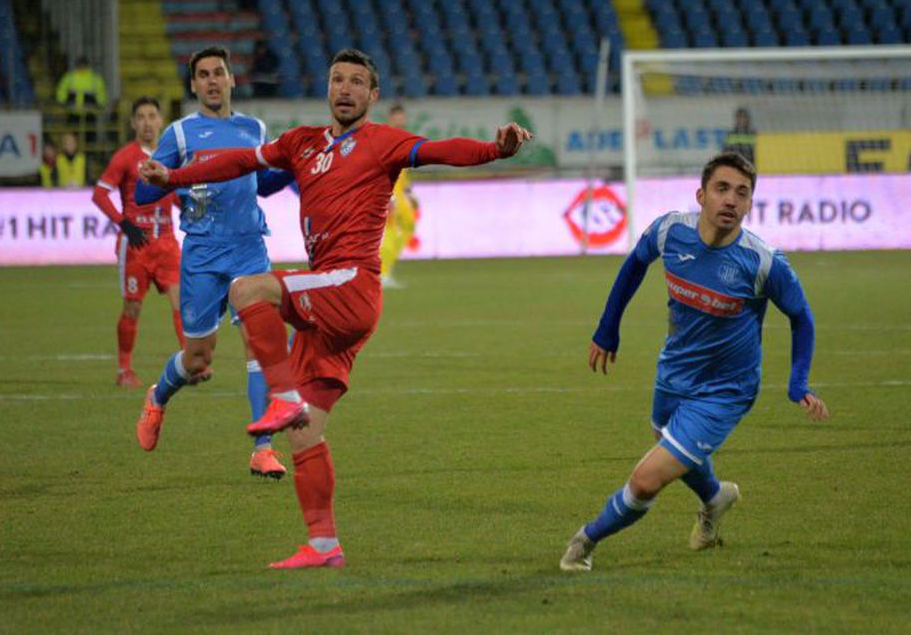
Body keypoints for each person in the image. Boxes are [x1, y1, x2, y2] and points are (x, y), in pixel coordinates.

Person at [140, 47, 532, 569]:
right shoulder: (303, 142)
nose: (344, 88)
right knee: (305, 431)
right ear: (328, 88)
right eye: (336, 79)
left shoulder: (384, 143)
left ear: (372, 95)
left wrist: (494, 149)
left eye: (356, 82)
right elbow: (239, 162)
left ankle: (277, 396)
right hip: (332, 303)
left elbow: (442, 150)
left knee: (249, 290)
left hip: (350, 285)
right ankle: (323, 544)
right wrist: (175, 179)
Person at [559, 151, 829, 573]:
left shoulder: (762, 262)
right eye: (722, 189)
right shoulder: (671, 231)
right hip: (674, 371)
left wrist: (798, 383)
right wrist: (607, 329)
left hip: (726, 389)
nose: (731, 200)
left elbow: (802, 317)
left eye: (742, 193)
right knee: (668, 440)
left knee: (648, 478)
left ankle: (586, 542)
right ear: (701, 194)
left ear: (749, 204)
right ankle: (716, 498)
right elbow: (634, 265)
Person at [132, 46, 296, 479]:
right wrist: (151, 179)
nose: (211, 80)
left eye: (218, 73)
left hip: (248, 251)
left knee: (261, 344)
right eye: (202, 74)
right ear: (193, 84)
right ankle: (158, 398)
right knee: (199, 358)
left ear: (231, 80)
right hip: (203, 258)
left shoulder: (253, 128)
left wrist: (296, 169)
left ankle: (263, 448)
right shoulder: (181, 135)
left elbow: (261, 185)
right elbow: (145, 194)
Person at [91, 97, 186, 388]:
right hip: (136, 245)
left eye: (152, 116)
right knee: (132, 308)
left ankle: (191, 364)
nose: (147, 122)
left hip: (167, 241)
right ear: (133, 123)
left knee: (183, 302)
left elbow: (179, 196)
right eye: (141, 116)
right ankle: (124, 371)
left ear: (161, 121)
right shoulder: (125, 157)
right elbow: (99, 194)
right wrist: (123, 223)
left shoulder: (172, 156)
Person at [380, 104, 419, 288]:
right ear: (390, 118)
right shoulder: (385, 138)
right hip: (389, 193)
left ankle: (386, 268)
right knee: (390, 230)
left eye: (402, 117)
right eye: (396, 117)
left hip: (401, 193)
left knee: (409, 226)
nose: (400, 120)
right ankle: (382, 273)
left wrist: (409, 193)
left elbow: (403, 172)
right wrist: (387, 196)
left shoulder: (404, 139)